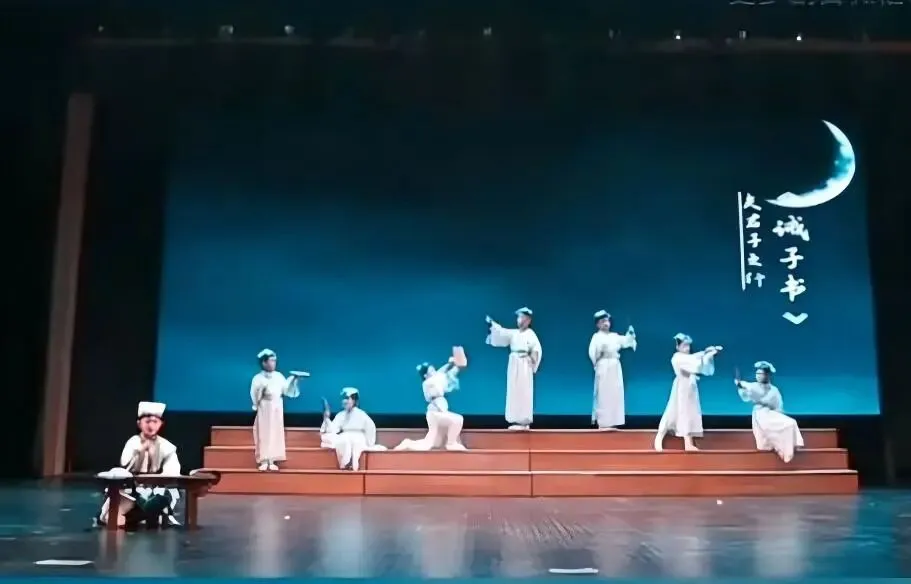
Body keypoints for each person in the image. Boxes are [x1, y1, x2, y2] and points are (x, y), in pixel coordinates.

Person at [97, 401, 182, 528]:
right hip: (133, 486)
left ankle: (147, 515)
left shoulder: (168, 447)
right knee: (118, 481)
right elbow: (124, 463)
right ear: (139, 423)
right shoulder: (133, 443)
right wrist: (140, 450)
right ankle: (120, 514)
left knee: (162, 496)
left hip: (156, 487)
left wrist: (156, 480)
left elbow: (173, 472)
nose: (151, 425)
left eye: (155, 422)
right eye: (147, 422)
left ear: (161, 424)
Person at [654, 333, 722, 451]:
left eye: (688, 346)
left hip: (690, 387)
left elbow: (695, 357)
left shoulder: (686, 357)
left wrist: (708, 352)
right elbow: (694, 363)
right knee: (682, 412)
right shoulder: (677, 357)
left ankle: (688, 442)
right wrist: (707, 354)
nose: (687, 348)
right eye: (684, 346)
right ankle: (681, 442)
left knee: (688, 412)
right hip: (682, 387)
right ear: (678, 347)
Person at [394, 348, 468, 451]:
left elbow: (441, 373)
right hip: (435, 412)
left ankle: (408, 443)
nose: (434, 371)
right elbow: (440, 374)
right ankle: (451, 444)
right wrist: (450, 364)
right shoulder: (428, 383)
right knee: (457, 420)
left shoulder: (435, 380)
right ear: (426, 375)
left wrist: (452, 364)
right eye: (431, 371)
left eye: (433, 370)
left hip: (436, 412)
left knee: (433, 443)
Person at [735, 361, 804, 463]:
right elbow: (744, 387)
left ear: (767, 375)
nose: (758, 376)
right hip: (760, 414)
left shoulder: (774, 389)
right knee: (774, 427)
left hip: (771, 413)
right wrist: (739, 383)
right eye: (757, 374)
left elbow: (778, 406)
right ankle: (781, 448)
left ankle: (791, 446)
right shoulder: (754, 386)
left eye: (761, 374)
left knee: (791, 422)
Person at [486, 307, 542, 430]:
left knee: (524, 390)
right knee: (513, 389)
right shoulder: (514, 333)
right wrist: (492, 324)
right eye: (518, 317)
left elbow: (536, 349)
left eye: (522, 317)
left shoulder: (530, 334)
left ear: (528, 320)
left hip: (524, 365)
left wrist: (532, 360)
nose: (519, 320)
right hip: (514, 363)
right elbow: (502, 333)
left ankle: (524, 420)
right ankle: (514, 418)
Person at [250, 348, 305, 472]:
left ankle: (272, 460)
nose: (273, 363)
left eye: (274, 361)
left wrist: (294, 380)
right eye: (271, 360)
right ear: (264, 362)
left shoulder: (278, 376)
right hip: (265, 407)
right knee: (264, 433)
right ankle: (264, 460)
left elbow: (286, 390)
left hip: (276, 407)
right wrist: (261, 390)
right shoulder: (257, 378)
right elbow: (254, 395)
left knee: (275, 432)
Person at [588, 310, 637, 430]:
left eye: (607, 320)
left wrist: (630, 334)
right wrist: (600, 354)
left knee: (615, 393)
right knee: (604, 394)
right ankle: (603, 422)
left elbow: (626, 341)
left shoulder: (614, 336)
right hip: (604, 366)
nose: (606, 323)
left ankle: (614, 421)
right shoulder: (596, 337)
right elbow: (592, 353)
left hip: (614, 366)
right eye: (602, 321)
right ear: (598, 324)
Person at [320, 387, 387, 470]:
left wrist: (369, 443)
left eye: (347, 398)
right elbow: (332, 430)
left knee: (354, 444)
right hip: (344, 437)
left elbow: (370, 428)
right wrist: (326, 418)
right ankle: (345, 463)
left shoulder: (361, 415)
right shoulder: (341, 415)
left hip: (358, 438)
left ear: (354, 401)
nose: (345, 401)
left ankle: (352, 465)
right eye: (343, 399)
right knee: (337, 439)